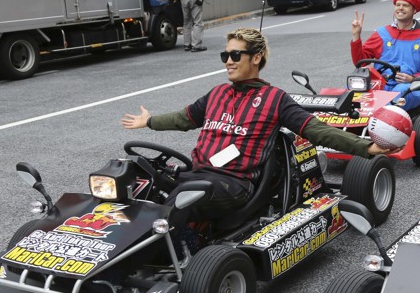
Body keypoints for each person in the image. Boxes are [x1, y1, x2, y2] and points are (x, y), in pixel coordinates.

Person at [120, 27, 394, 224]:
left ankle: (152, 251)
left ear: (256, 57)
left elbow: (316, 130)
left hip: (235, 185)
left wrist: (365, 146)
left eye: (236, 55)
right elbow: (184, 118)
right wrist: (150, 121)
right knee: (135, 175)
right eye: (225, 55)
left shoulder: (275, 99)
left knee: (184, 195)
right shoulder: (216, 94)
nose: (228, 61)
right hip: (199, 175)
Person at [350, 0, 420, 112]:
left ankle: (380, 119)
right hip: (381, 83)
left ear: (414, 10)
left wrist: (412, 78)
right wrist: (356, 36)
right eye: (398, 5)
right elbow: (360, 62)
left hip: (410, 87)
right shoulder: (382, 33)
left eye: (405, 5)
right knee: (353, 88)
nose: (400, 8)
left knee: (399, 92)